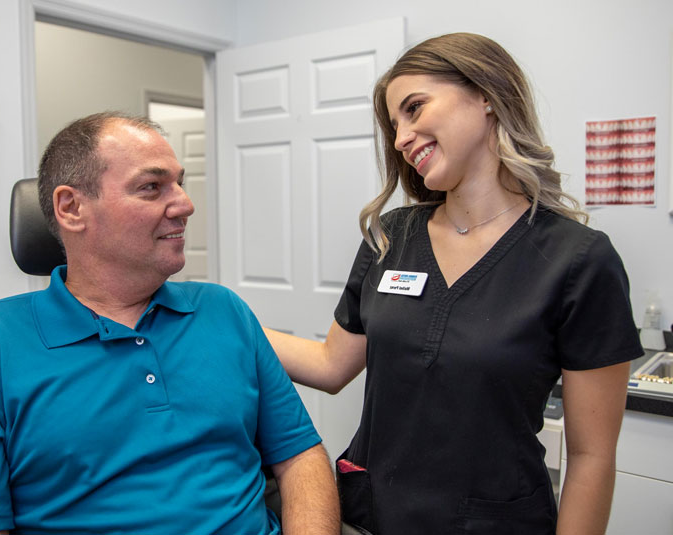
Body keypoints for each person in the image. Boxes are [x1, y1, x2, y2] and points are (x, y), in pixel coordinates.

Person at [264, 33, 643, 535]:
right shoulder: (391, 237)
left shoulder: (577, 260)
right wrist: (224, 319)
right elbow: (331, 365)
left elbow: (591, 457)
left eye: (414, 109)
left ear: (485, 94)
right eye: (394, 124)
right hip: (370, 516)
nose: (400, 138)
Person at [0, 112, 340, 535]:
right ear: (72, 208)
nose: (185, 204)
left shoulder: (224, 311)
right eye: (151, 187)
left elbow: (300, 456)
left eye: (179, 183)